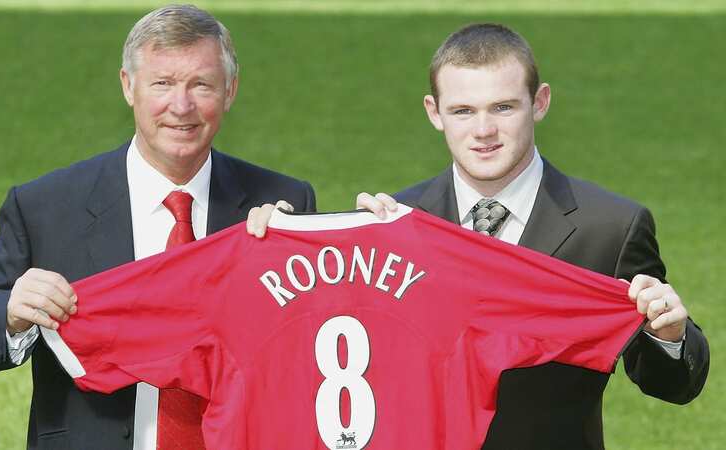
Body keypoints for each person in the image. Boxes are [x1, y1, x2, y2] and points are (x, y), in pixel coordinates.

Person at [248, 23, 709, 449]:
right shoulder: (393, 225)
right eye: (463, 111)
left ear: (540, 102)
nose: (483, 131)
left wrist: (668, 336)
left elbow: (673, 386)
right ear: (434, 112)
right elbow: (314, 347)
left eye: (503, 107)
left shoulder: (610, 227)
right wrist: (279, 240)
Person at [0, 5, 314, 450]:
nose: (181, 106)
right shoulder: (47, 205)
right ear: (128, 86)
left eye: (201, 84)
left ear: (230, 91)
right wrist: (11, 311)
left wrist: (377, 224)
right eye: (162, 83)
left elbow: (326, 336)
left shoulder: (283, 204)